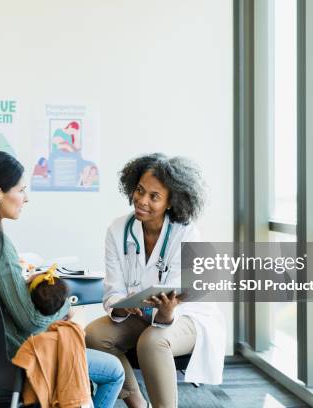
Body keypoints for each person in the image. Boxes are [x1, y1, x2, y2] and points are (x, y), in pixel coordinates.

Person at [0, 151, 124, 407]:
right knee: (114, 371)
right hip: (7, 369)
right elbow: (31, 321)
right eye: (21, 190)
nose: (25, 198)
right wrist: (65, 305)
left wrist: (15, 279)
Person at [85, 153, 226, 408]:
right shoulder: (117, 230)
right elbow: (113, 289)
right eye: (139, 190)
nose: (142, 201)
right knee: (94, 335)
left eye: (154, 196)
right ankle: (137, 403)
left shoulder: (187, 233)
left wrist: (165, 314)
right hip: (140, 314)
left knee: (152, 341)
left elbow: (177, 298)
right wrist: (122, 305)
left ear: (171, 203)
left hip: (188, 317)